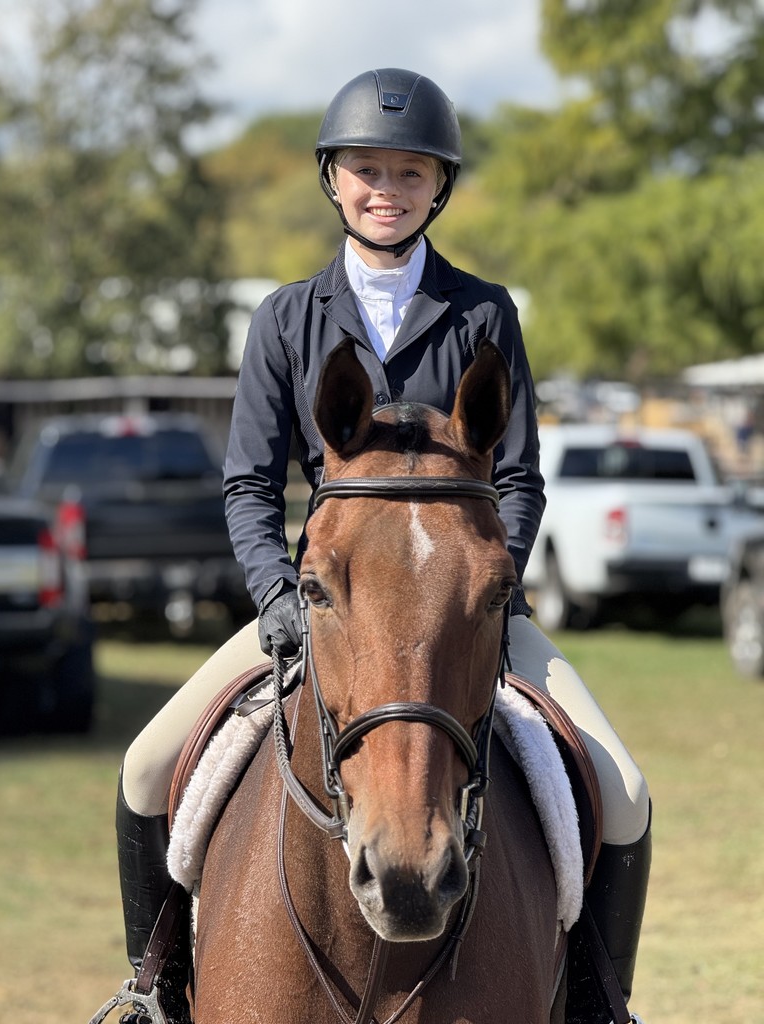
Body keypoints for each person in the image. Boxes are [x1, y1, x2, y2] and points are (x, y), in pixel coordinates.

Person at [110, 69, 651, 1024]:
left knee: (625, 790)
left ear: (437, 186)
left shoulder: (485, 313)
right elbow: (249, 484)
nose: (385, 189)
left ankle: (599, 1003)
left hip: (466, 612)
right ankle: (156, 991)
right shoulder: (287, 317)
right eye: (367, 169)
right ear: (334, 177)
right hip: (324, 607)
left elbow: (516, 477)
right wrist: (281, 595)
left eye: (408, 172)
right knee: (147, 771)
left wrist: (486, 590)